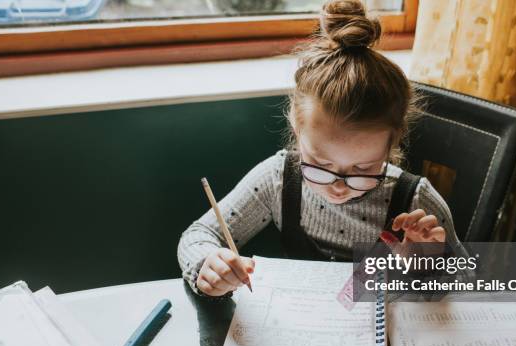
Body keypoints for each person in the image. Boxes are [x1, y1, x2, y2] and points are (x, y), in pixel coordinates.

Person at [178, 0, 473, 298]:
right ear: (297, 127)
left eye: (364, 169)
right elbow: (199, 235)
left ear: (392, 143)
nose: (338, 188)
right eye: (320, 165)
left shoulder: (416, 201)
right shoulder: (278, 179)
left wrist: (429, 267)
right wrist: (208, 264)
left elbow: (468, 288)